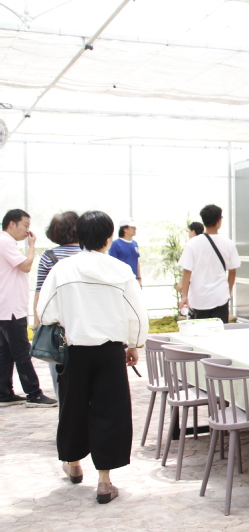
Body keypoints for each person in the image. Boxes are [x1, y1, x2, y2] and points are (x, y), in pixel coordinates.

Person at [38, 210, 147, 503]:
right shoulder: (121, 270)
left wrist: (70, 317)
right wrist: (134, 344)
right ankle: (104, 482)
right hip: (110, 352)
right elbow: (136, 313)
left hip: (74, 350)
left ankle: (73, 465)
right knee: (110, 411)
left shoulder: (62, 269)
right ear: (109, 238)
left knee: (72, 407)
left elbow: (45, 312)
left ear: (80, 236)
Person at [0, 209, 58, 408]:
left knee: (6, 352)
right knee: (22, 352)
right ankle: (34, 393)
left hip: (5, 307)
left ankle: (4, 393)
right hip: (11, 308)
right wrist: (32, 246)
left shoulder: (4, 241)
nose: (27, 230)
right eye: (25, 225)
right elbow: (25, 266)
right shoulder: (6, 241)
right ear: (12, 224)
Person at [34, 211, 81, 397]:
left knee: (59, 374)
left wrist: (37, 325)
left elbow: (40, 293)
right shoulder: (88, 254)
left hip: (57, 325)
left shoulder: (49, 257)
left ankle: (64, 407)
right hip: (84, 321)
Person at [179, 205, 240, 323]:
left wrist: (184, 296)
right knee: (219, 330)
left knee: (199, 331)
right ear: (219, 221)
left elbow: (187, 271)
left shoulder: (193, 243)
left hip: (198, 298)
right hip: (220, 297)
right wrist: (228, 292)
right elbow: (232, 271)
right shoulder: (228, 244)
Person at [108, 217, 141, 287]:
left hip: (133, 280)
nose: (135, 229)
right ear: (125, 229)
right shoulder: (115, 244)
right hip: (121, 281)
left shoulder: (134, 243)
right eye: (132, 227)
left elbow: (137, 260)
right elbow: (111, 263)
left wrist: (139, 278)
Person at [176, 222, 204, 296]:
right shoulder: (208, 243)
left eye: (189, 232)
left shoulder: (191, 244)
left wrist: (181, 283)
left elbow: (187, 269)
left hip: (195, 284)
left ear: (193, 231)